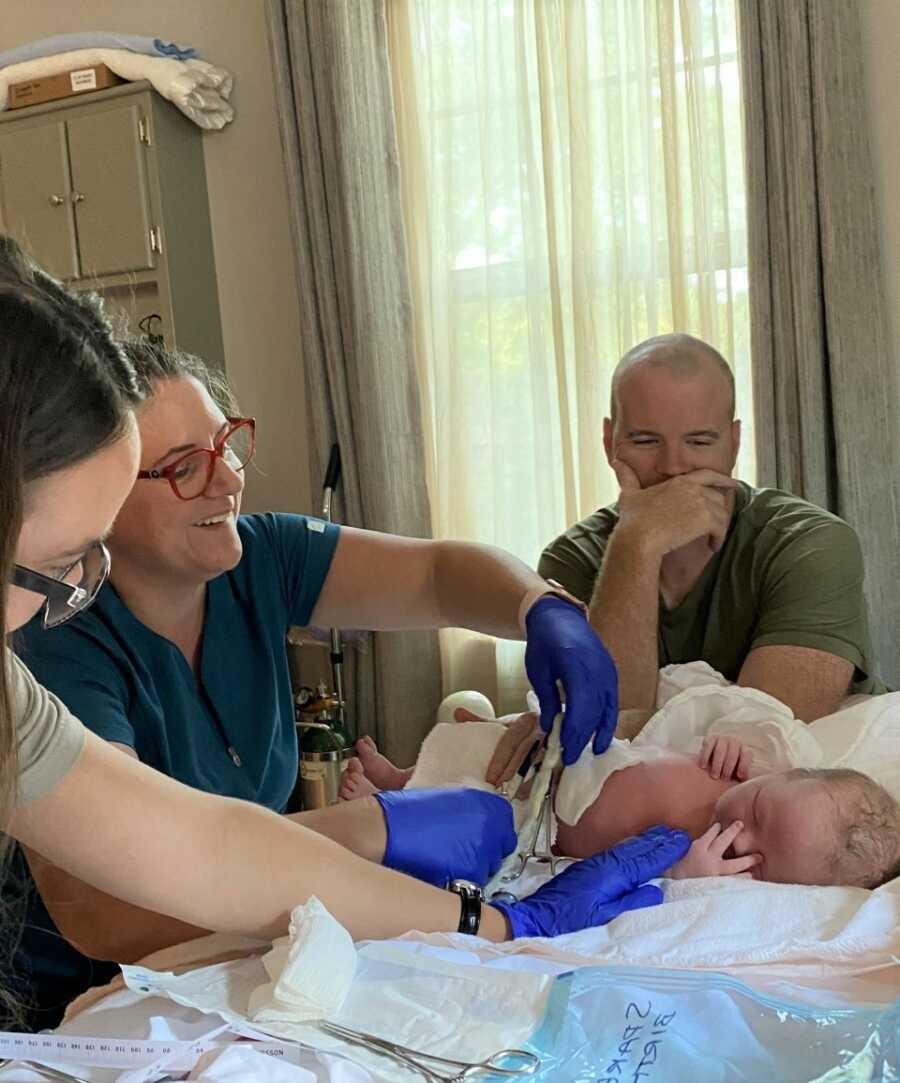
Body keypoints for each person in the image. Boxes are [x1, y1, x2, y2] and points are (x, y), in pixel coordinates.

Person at [0, 239, 690, 1029]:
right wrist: (373, 833)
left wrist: (540, 607)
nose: (227, 479)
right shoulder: (64, 641)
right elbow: (116, 901)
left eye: (227, 447)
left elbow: (202, 846)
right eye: (58, 565)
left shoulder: (243, 565)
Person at [537, 334, 886, 734]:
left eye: (699, 441)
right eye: (646, 440)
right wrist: (636, 543)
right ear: (609, 442)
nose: (673, 467)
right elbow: (600, 730)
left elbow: (760, 735)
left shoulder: (810, 543)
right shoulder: (570, 559)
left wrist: (632, 725)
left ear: (733, 444)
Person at [343, 722, 900, 889]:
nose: (742, 836)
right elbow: (696, 695)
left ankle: (395, 800)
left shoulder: (713, 867)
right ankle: (404, 774)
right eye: (760, 815)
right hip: (581, 761)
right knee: (486, 748)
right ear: (789, 774)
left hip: (542, 827)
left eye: (762, 861)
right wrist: (731, 731)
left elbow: (653, 883)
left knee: (463, 808)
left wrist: (687, 874)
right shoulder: (766, 751)